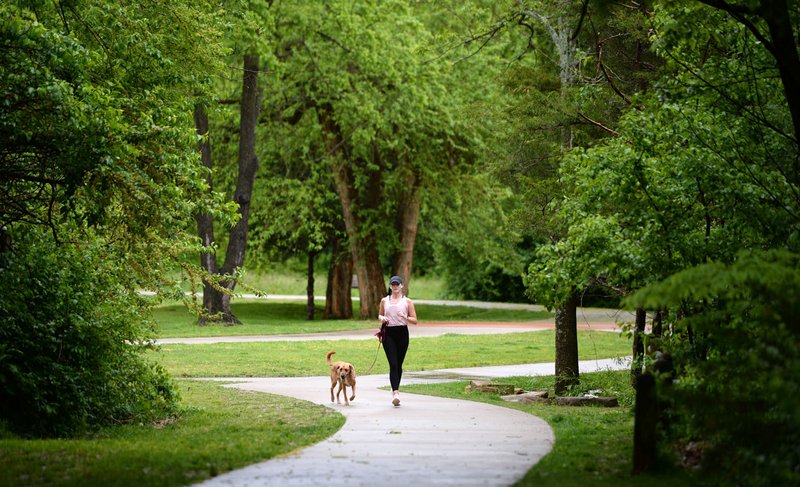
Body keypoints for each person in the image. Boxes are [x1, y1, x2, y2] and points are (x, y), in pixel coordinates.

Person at [377, 275, 417, 406]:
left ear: (401, 286)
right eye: (393, 284)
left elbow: (415, 321)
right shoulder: (384, 300)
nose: (395, 287)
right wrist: (382, 318)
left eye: (397, 284)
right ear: (390, 286)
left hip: (402, 333)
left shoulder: (407, 301)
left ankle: (395, 388)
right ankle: (396, 393)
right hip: (389, 333)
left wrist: (405, 317)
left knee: (398, 364)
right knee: (393, 363)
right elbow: (380, 314)